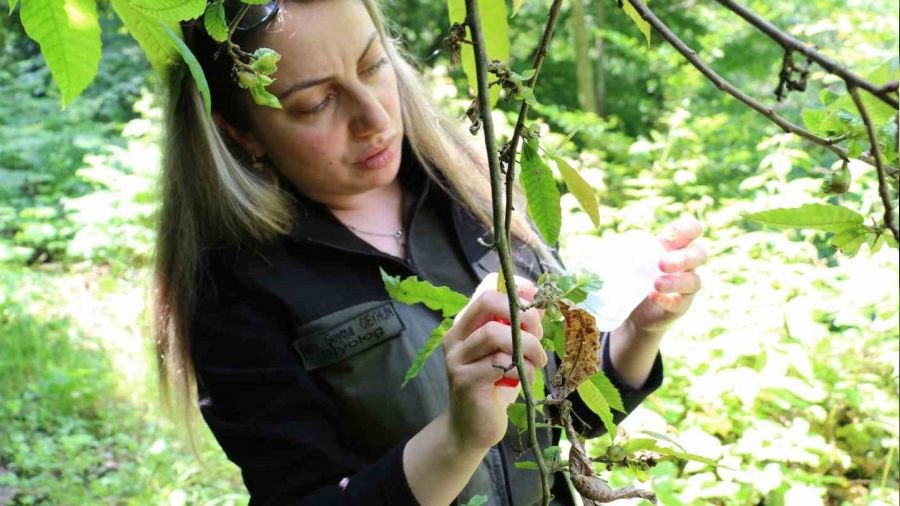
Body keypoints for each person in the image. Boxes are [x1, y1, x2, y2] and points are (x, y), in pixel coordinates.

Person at [152, 0, 707, 504]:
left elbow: (568, 416)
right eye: (317, 102)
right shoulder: (236, 286)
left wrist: (639, 330)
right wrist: (458, 438)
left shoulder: (474, 190)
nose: (374, 118)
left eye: (373, 65)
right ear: (240, 131)